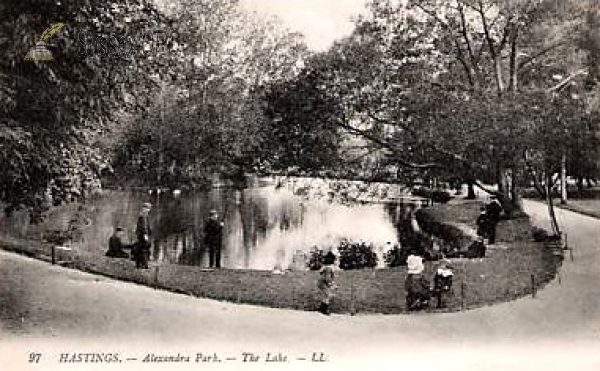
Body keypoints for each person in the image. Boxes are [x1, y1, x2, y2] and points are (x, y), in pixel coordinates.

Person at [132, 202, 152, 269]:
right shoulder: (142, 216)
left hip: (143, 234)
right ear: (144, 208)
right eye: (146, 208)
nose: (148, 210)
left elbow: (147, 226)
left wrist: (149, 233)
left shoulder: (145, 216)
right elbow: (143, 226)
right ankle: (143, 264)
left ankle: (141, 264)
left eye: (148, 208)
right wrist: (145, 234)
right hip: (142, 235)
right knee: (143, 249)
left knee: (141, 249)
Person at [317, 251, 337, 315]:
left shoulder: (325, 266)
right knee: (328, 295)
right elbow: (327, 278)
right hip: (323, 283)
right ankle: (324, 309)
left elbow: (322, 273)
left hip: (321, 282)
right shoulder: (329, 268)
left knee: (327, 295)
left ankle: (322, 308)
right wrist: (331, 284)